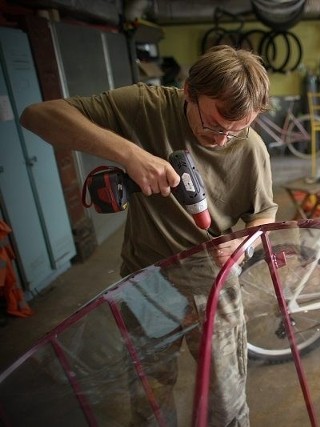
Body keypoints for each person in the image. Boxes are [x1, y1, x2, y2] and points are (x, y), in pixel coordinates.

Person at [20, 45, 277, 426]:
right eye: (212, 125)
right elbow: (37, 116)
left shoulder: (250, 148)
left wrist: (246, 242)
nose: (222, 140)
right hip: (146, 278)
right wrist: (129, 154)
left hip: (212, 280)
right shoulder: (145, 106)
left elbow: (263, 213)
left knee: (226, 394)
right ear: (189, 91)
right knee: (148, 389)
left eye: (236, 131)